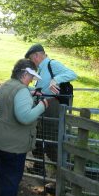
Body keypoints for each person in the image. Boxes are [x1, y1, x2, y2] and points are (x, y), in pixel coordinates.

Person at [0, 59, 50, 196]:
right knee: (12, 180)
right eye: (31, 77)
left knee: (5, 174)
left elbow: (16, 96)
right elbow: (25, 117)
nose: (32, 80)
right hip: (11, 146)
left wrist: (32, 92)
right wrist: (42, 106)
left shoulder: (7, 84)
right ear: (25, 74)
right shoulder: (21, 90)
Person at [25, 43, 77, 178]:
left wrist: (56, 79)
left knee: (51, 141)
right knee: (37, 136)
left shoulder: (51, 64)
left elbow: (72, 74)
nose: (32, 62)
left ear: (36, 56)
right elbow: (42, 89)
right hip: (43, 107)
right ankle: (39, 167)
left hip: (53, 107)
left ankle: (65, 175)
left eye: (31, 58)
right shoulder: (41, 69)